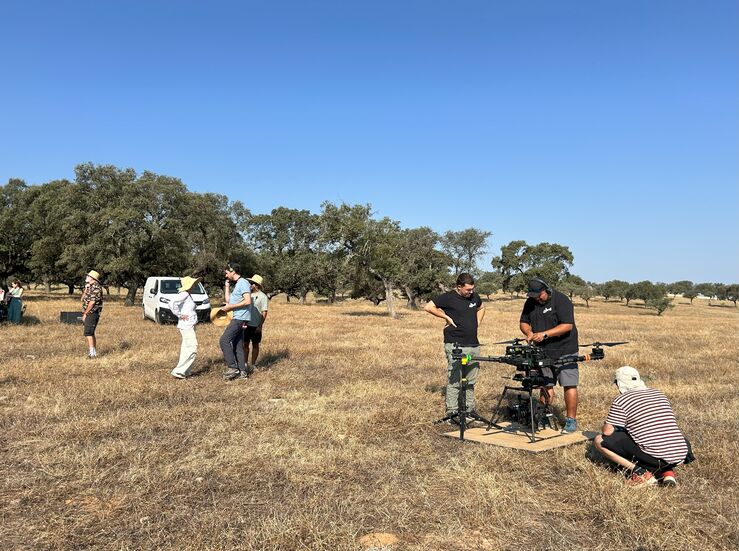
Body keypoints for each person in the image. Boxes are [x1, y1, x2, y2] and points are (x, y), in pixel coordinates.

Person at [594, 366, 691, 486]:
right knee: (658, 438)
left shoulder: (622, 400)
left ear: (619, 384)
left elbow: (607, 432)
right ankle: (668, 474)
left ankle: (641, 473)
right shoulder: (659, 393)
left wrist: (607, 424)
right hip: (681, 452)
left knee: (599, 440)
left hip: (657, 456)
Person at [519, 278, 579, 434]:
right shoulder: (530, 302)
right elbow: (523, 322)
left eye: (539, 296)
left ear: (546, 290)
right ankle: (544, 414)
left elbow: (567, 325)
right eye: (533, 296)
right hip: (543, 352)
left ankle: (571, 420)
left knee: (569, 384)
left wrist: (545, 334)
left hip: (565, 349)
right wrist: (529, 333)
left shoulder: (561, 300)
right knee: (545, 384)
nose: (537, 299)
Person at [424, 273, 486, 419]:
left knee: (470, 380)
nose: (471, 292)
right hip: (455, 344)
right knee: (455, 379)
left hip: (473, 345)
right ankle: (452, 412)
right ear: (459, 287)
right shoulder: (448, 297)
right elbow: (428, 307)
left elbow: (482, 307)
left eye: (472, 289)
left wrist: (477, 323)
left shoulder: (475, 297)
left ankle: (469, 409)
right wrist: (445, 317)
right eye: (468, 290)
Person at [219, 263, 252, 380]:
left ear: (233, 272)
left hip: (240, 318)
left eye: (227, 273)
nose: (226, 275)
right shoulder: (238, 284)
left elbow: (248, 301)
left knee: (224, 340)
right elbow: (228, 300)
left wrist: (230, 308)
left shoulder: (243, 283)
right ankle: (242, 372)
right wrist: (227, 286)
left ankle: (233, 367)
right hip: (239, 317)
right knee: (238, 344)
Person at [169, 276, 201, 379]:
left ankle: (186, 371)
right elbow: (172, 303)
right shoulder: (184, 294)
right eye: (193, 284)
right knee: (192, 347)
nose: (195, 285)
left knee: (186, 348)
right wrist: (179, 315)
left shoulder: (188, 294)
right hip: (186, 325)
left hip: (189, 325)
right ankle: (179, 371)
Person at [243, 274, 269, 373]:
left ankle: (253, 364)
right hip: (246, 324)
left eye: (252, 283)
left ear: (256, 285)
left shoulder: (263, 297)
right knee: (245, 344)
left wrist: (260, 325)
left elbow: (264, 312)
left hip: (256, 326)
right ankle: (245, 363)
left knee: (255, 344)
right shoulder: (247, 295)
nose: (250, 285)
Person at [81, 270, 104, 358]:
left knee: (88, 333)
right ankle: (93, 352)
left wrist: (85, 314)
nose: (86, 277)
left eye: (88, 276)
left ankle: (92, 354)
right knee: (91, 332)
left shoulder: (96, 287)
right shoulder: (89, 287)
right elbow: (82, 299)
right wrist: (86, 289)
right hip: (89, 312)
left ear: (92, 278)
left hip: (92, 313)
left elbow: (92, 303)